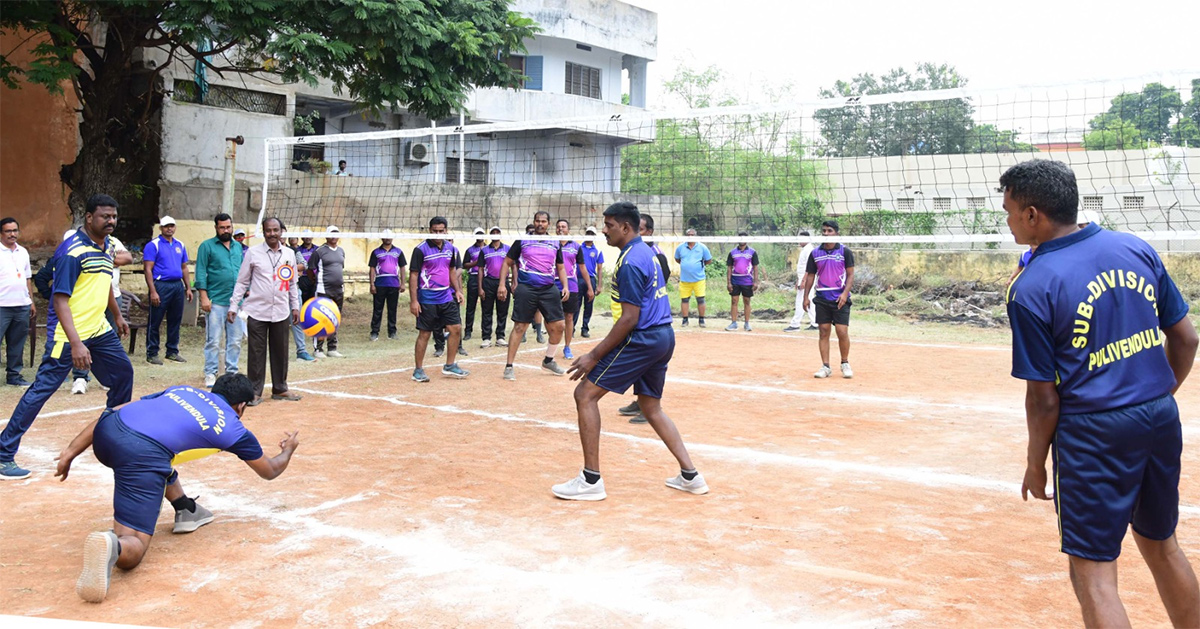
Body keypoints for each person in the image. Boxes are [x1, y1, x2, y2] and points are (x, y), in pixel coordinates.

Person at [1002, 159, 1200, 627]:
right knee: (1163, 546)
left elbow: (1044, 399)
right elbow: (1187, 338)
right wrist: (1153, 393)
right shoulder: (1135, 248)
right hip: (1158, 415)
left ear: (1033, 215)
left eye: (1009, 210)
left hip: (1094, 433)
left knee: (1094, 575)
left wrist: (1035, 465)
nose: (1007, 220)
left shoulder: (1031, 286)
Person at [56, 373, 300, 603]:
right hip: (139, 453)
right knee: (134, 547)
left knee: (165, 460)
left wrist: (70, 451)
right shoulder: (233, 427)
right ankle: (115, 546)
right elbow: (269, 471)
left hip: (106, 433)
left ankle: (185, 508)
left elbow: (115, 411)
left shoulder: (183, 391)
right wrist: (288, 449)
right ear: (241, 406)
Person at [555, 201, 707, 500]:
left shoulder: (629, 262)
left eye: (609, 225)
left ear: (625, 227)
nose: (604, 230)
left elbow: (629, 318)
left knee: (584, 394)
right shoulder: (647, 252)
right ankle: (691, 476)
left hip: (643, 338)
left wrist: (593, 355)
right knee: (651, 407)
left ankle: (590, 481)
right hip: (663, 336)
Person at [0, 194, 134, 480]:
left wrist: (118, 315)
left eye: (114, 216)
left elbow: (104, 280)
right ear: (88, 218)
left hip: (99, 329)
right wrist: (76, 343)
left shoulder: (108, 245)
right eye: (104, 216)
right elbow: (59, 300)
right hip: (68, 335)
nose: (111, 221)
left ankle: (113, 435)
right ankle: (3, 453)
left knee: (123, 376)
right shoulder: (72, 252)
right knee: (41, 392)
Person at [228, 217, 301, 405]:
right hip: (257, 311)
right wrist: (233, 306)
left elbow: (293, 283)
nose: (272, 234)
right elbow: (242, 281)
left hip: (281, 311)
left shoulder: (289, 254)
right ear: (263, 231)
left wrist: (295, 306)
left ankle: (280, 388)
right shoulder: (253, 253)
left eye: (275, 230)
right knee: (256, 353)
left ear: (281, 232)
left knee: (281, 351)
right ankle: (255, 392)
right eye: (268, 230)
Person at [497, 211, 569, 380]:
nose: (540, 224)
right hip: (526, 288)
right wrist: (502, 284)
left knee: (558, 326)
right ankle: (509, 366)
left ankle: (549, 360)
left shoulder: (555, 242)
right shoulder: (522, 240)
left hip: (548, 288)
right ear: (534, 222)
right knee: (520, 327)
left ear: (548, 224)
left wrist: (565, 286)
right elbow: (507, 262)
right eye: (537, 221)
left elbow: (561, 267)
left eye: (543, 221)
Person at [618, 214, 671, 425]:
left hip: (649, 320)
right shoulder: (635, 252)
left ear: (648, 231)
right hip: (637, 319)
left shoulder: (655, 254)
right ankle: (639, 402)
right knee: (641, 364)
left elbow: (659, 283)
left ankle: (648, 408)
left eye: (639, 228)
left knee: (649, 364)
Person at [409, 217, 468, 382]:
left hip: (446, 296)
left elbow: (451, 271)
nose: (438, 234)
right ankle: (418, 370)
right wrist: (414, 301)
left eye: (441, 231)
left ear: (446, 231)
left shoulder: (451, 248)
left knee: (455, 328)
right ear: (430, 230)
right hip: (427, 298)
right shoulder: (420, 249)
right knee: (425, 334)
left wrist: (457, 290)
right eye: (435, 231)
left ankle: (450, 365)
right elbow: (413, 275)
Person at [194, 213, 245, 388]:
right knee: (213, 340)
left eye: (228, 227)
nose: (226, 230)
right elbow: (200, 272)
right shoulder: (206, 246)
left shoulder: (238, 247)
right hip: (215, 301)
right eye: (222, 227)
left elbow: (243, 272)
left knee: (235, 340)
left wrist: (246, 294)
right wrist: (203, 296)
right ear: (216, 228)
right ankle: (210, 372)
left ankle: (231, 372)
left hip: (236, 302)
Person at [802, 220, 855, 379]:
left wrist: (845, 293)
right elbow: (810, 276)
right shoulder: (815, 253)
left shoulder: (845, 251)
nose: (826, 233)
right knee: (823, 332)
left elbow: (851, 274)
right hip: (822, 298)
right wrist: (806, 297)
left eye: (829, 231)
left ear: (836, 233)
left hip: (840, 298)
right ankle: (825, 366)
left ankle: (845, 363)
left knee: (842, 332)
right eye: (824, 230)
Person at [143, 216, 192, 365]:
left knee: (175, 319)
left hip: (177, 285)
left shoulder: (180, 245)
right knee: (155, 320)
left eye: (172, 226)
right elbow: (148, 269)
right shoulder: (154, 245)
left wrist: (188, 288)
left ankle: (172, 351)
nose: (169, 228)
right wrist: (153, 291)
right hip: (161, 285)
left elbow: (184, 267)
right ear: (161, 228)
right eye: (166, 226)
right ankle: (152, 353)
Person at [0, 217, 35, 387]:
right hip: (2, 306)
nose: (12, 234)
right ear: (1, 233)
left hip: (21, 305)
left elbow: (28, 278)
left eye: (15, 231)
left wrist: (31, 302)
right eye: (8, 231)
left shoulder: (23, 252)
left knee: (17, 343)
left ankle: (14, 376)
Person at [555, 219, 593, 361]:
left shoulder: (576, 246)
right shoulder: (552, 244)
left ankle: (567, 346)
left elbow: (582, 267)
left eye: (563, 226)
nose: (560, 229)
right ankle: (552, 344)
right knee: (553, 318)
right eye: (558, 227)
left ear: (568, 229)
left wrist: (589, 287)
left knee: (569, 316)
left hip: (571, 283)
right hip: (552, 283)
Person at [309, 226, 346, 358]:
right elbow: (310, 270)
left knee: (334, 318)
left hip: (338, 290)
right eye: (331, 233)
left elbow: (340, 269)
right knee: (321, 319)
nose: (334, 236)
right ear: (326, 235)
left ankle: (332, 348)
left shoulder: (341, 251)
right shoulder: (319, 252)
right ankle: (318, 349)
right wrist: (317, 282)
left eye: (336, 233)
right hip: (323, 289)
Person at [368, 229, 406, 342]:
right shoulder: (376, 252)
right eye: (385, 236)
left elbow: (403, 267)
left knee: (392, 310)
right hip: (380, 284)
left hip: (394, 284)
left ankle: (392, 332)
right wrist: (371, 284)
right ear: (382, 238)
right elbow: (372, 268)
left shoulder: (398, 252)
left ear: (392, 238)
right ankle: (374, 332)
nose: (387, 238)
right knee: (377, 310)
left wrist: (403, 283)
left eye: (389, 236)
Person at [478, 227, 512, 349]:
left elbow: (513, 266)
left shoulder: (507, 249)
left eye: (497, 232)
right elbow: (481, 269)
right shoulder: (484, 250)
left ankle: (500, 337)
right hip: (488, 282)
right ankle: (486, 338)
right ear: (490, 235)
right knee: (487, 310)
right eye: (493, 233)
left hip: (503, 282)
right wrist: (480, 287)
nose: (495, 234)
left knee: (502, 310)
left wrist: (514, 283)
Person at [674, 228, 711, 328]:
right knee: (684, 300)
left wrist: (698, 266)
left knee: (701, 299)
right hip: (685, 279)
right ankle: (685, 320)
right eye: (688, 235)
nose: (690, 236)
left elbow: (708, 260)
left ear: (696, 236)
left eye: (692, 234)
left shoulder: (702, 247)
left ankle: (701, 320)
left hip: (699, 279)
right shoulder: (680, 247)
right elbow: (677, 259)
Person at [291, 230, 318, 361]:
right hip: (276, 292)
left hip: (294, 288)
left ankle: (301, 351)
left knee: (298, 319)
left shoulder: (293, 251)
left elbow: (304, 265)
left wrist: (290, 269)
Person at [725, 233, 760, 332]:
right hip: (735, 280)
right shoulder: (732, 252)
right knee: (734, 301)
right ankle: (733, 323)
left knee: (747, 301)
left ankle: (747, 323)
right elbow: (729, 268)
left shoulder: (752, 252)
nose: (742, 240)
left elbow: (755, 267)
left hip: (747, 280)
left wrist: (755, 281)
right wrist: (728, 282)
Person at [784, 231, 818, 332]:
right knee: (809, 300)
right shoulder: (804, 250)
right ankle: (815, 323)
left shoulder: (809, 250)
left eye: (801, 239)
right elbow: (802, 267)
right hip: (803, 278)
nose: (799, 241)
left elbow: (809, 268)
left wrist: (804, 280)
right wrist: (799, 280)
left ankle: (795, 324)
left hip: (807, 279)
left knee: (800, 301)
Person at [578, 226, 605, 338]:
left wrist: (599, 286)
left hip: (591, 279)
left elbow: (599, 269)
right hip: (578, 279)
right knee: (576, 305)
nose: (589, 235)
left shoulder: (597, 251)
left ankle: (585, 328)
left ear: (594, 236)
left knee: (588, 306)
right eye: (587, 233)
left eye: (591, 234)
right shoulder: (578, 248)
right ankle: (572, 327)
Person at [461, 228, 486, 341]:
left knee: (486, 307)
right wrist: (475, 263)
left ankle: (485, 332)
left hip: (486, 278)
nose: (479, 236)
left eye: (481, 234)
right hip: (474, 278)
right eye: (477, 234)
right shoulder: (470, 250)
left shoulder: (488, 248)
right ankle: (468, 331)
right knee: (471, 306)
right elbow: (464, 265)